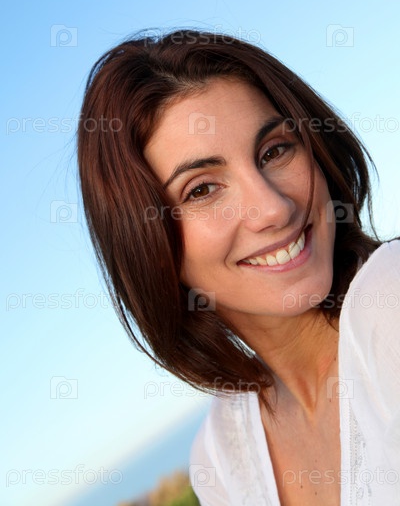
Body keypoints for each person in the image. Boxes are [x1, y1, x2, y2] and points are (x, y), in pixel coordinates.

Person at [77, 30, 400, 505]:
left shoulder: (390, 301)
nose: (273, 208)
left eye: (274, 151)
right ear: (148, 246)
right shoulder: (221, 455)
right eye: (203, 189)